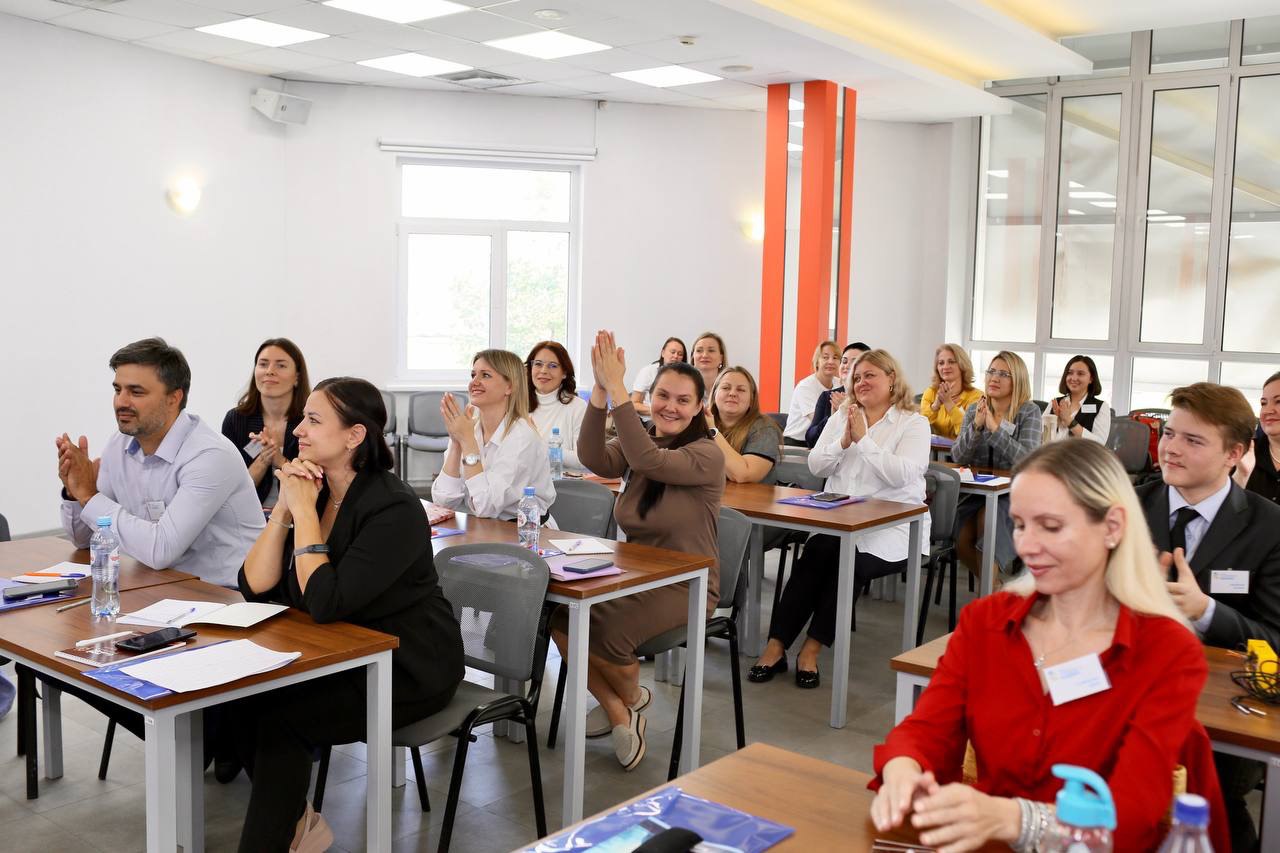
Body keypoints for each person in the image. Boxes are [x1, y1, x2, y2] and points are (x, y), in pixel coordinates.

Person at [869, 440, 1227, 853]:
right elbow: (926, 729)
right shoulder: (985, 623)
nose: (1027, 546)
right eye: (1019, 524)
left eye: (1051, 527)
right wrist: (902, 769)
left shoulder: (1166, 651)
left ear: (1112, 527)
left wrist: (1015, 819)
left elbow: (1131, 815)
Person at [234, 377, 464, 852]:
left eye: (314, 420)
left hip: (408, 664)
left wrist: (304, 513)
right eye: (304, 419)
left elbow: (325, 601)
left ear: (355, 436)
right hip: (342, 651)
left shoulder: (394, 508)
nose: (299, 429)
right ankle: (297, 823)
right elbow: (253, 585)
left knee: (279, 717)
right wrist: (285, 510)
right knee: (236, 701)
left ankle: (278, 838)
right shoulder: (315, 491)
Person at [554, 331, 724, 771]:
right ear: (650, 396)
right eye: (663, 395)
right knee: (557, 617)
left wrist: (618, 397)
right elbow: (592, 456)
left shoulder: (706, 454)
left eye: (683, 400)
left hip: (686, 584)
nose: (670, 406)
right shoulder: (643, 439)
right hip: (633, 573)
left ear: (700, 408)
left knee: (605, 631)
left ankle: (625, 702)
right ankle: (623, 708)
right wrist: (600, 395)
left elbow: (649, 462)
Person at [1135, 382, 1280, 852]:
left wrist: (1206, 611)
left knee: (1215, 807)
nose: (1171, 449)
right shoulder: (1128, 507)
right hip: (1126, 688)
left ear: (1233, 454)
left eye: (1193, 440)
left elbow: (1274, 641)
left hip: (1218, 710)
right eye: (1169, 433)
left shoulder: (1269, 527)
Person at [750, 349, 930, 687]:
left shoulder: (914, 422)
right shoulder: (844, 415)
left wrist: (863, 441)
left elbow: (903, 475)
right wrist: (843, 441)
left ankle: (812, 650)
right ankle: (776, 646)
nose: (861, 382)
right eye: (857, 377)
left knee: (850, 564)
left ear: (892, 379)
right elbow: (816, 465)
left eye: (870, 375)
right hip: (840, 519)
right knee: (815, 556)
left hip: (892, 527)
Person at [57, 337, 264, 588]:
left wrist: (90, 497)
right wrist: (74, 492)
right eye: (117, 390)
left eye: (136, 392)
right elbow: (85, 539)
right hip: (163, 587)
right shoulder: (118, 445)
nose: (121, 402)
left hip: (227, 597)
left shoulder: (209, 455)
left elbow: (160, 550)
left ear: (173, 398)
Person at [430, 349, 554, 520]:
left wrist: (467, 442)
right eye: (473, 375)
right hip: (484, 529)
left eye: (485, 375)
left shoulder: (522, 437)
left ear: (509, 386)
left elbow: (485, 506)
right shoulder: (469, 427)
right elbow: (443, 502)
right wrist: (456, 444)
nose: (474, 382)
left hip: (525, 533)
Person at [952, 352, 1042, 578]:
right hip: (977, 492)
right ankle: (995, 591)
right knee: (961, 539)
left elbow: (1028, 461)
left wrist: (995, 430)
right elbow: (958, 457)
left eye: (1004, 374)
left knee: (988, 524)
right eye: (992, 371)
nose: (995, 378)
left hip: (1014, 493)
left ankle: (988, 601)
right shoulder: (975, 409)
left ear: (1017, 380)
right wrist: (977, 429)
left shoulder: (1028, 411)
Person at [221, 338, 311, 506]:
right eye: (263, 364)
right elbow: (229, 492)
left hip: (297, 518)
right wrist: (263, 459)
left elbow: (316, 485)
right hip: (248, 519)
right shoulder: (235, 420)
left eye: (281, 365)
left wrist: (279, 460)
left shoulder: (310, 422)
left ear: (297, 377)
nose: (270, 371)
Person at [707, 366, 782, 484]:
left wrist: (712, 431)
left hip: (751, 501)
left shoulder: (765, 429)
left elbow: (742, 475)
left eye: (741, 390)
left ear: (752, 399)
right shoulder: (697, 421)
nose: (732, 393)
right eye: (726, 388)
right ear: (714, 394)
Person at [526, 340, 589, 473]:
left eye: (553, 366)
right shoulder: (517, 404)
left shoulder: (577, 407)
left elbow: (582, 460)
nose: (543, 371)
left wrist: (540, 446)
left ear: (564, 373)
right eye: (538, 364)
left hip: (562, 484)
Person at [804, 342, 870, 448]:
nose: (846, 366)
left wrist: (845, 412)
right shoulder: (828, 396)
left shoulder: (870, 398)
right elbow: (811, 439)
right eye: (844, 361)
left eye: (854, 362)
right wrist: (833, 417)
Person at [1232, 369, 1280, 504]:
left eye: (1278, 401)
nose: (1267, 411)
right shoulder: (1241, 452)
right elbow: (1217, 511)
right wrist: (1241, 475)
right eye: (1264, 403)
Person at [1041, 355, 1111, 445]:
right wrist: (1055, 423)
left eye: (1080, 374)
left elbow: (1099, 444)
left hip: (1081, 458)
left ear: (1091, 379)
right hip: (1053, 456)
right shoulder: (1055, 403)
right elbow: (1039, 439)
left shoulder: (1101, 407)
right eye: (1070, 373)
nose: (1073, 378)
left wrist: (1070, 421)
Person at [919, 344, 982, 440]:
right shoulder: (930, 392)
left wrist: (949, 404)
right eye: (941, 363)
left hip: (962, 453)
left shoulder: (977, 397)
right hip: (933, 451)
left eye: (951, 362)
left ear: (962, 365)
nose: (945, 367)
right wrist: (935, 406)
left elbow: (968, 434)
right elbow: (919, 427)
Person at [784, 340, 841, 446]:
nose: (831, 361)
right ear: (817, 361)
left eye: (835, 358)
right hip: (797, 442)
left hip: (822, 440)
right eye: (825, 357)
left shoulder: (839, 383)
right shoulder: (805, 386)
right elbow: (817, 420)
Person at [629, 336, 687, 417]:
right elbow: (634, 404)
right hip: (650, 419)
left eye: (680, 354)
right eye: (672, 352)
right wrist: (658, 411)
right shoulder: (648, 371)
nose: (676, 356)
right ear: (663, 353)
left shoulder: (686, 377)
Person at [690, 332, 728, 403]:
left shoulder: (730, 391)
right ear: (693, 357)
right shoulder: (682, 388)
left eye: (711, 350)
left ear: (721, 358)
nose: (705, 355)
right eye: (699, 350)